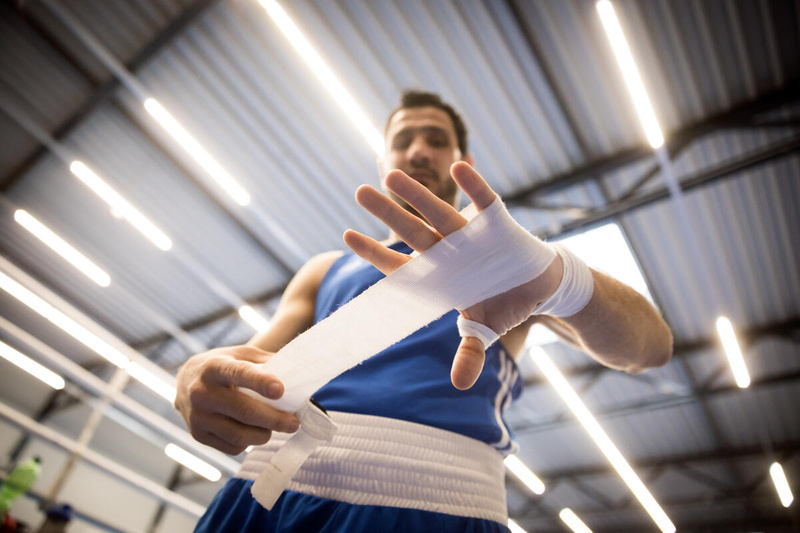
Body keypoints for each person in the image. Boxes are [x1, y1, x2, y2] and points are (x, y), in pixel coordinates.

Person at [176, 91, 673, 532]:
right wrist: (200, 375)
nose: (418, 151)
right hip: (266, 486)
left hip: (438, 501)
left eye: (436, 139)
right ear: (383, 160)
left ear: (464, 159)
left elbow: (650, 348)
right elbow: (247, 366)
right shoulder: (323, 270)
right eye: (404, 140)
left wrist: (563, 279)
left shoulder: (510, 267)